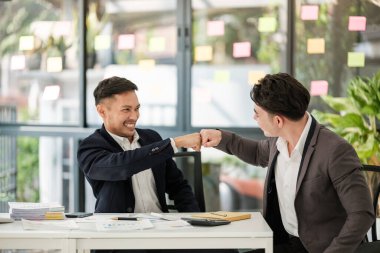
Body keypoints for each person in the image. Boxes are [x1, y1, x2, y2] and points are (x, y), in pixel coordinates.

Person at [199, 73, 374, 253]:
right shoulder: (279, 141)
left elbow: (362, 214)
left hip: (324, 249)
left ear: (278, 120)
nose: (254, 118)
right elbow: (258, 152)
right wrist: (221, 138)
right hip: (289, 244)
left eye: (257, 113)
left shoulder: (335, 150)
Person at [78, 76, 201, 214]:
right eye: (126, 109)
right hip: (118, 230)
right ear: (102, 111)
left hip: (160, 227)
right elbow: (122, 166)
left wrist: (195, 219)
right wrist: (175, 143)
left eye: (136, 108)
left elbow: (178, 186)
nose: (135, 116)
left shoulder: (152, 138)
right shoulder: (90, 147)